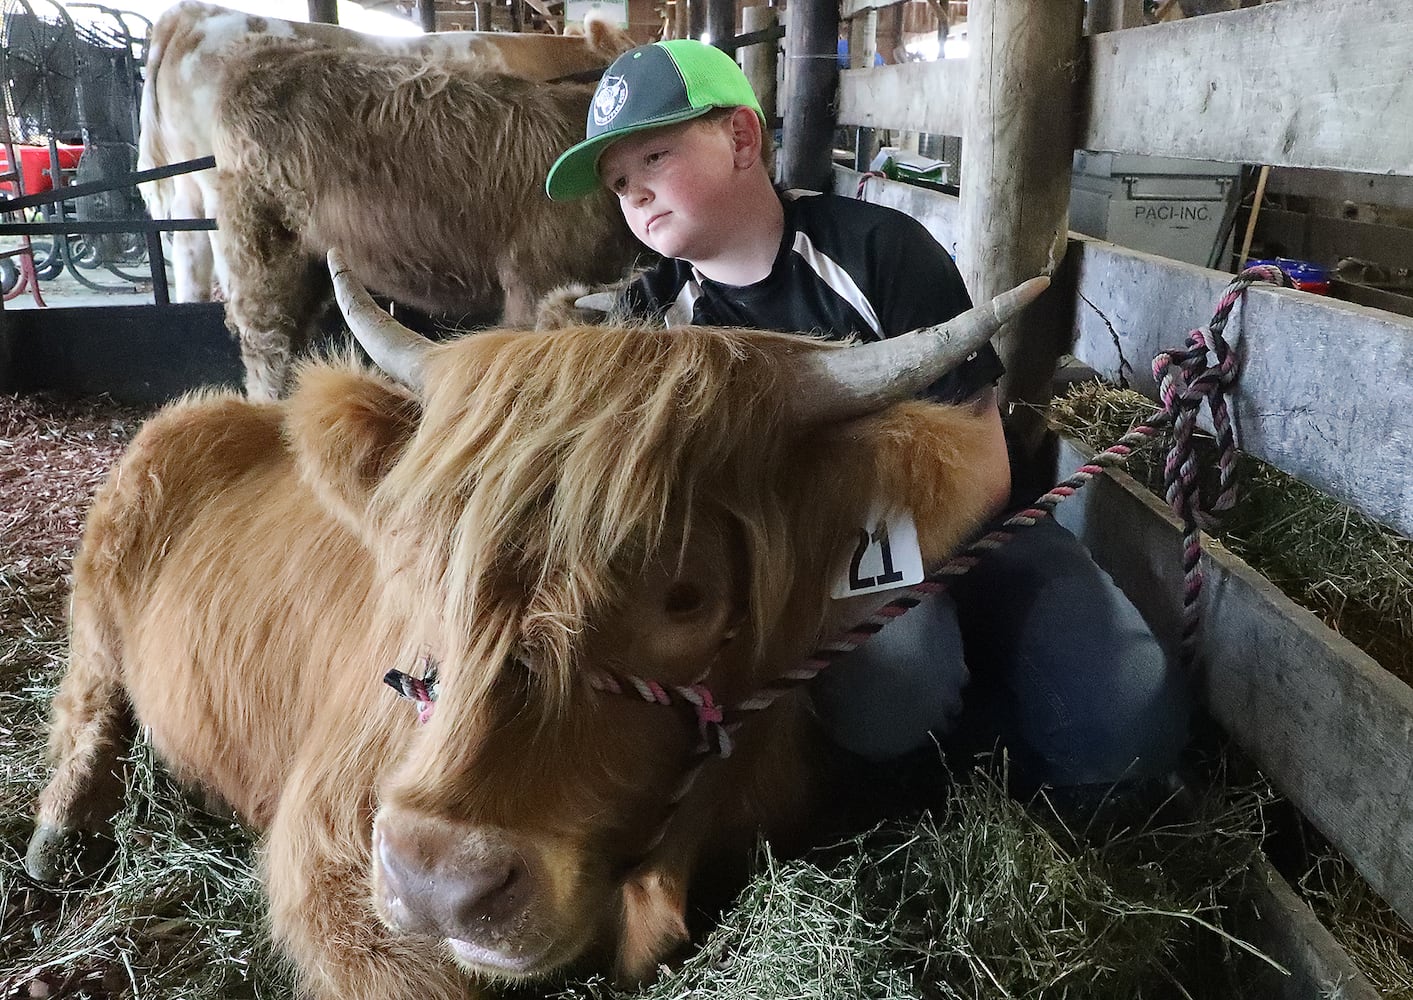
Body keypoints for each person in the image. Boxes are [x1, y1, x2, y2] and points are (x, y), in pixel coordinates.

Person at [545, 39, 1191, 804]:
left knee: (1131, 723)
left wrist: (886, 585)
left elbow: (983, 471)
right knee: (891, 697)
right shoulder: (646, 324)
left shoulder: (881, 249)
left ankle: (1002, 752)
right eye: (618, 182)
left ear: (742, 139)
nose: (635, 194)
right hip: (788, 568)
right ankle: (942, 767)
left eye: (653, 157)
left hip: (968, 524)